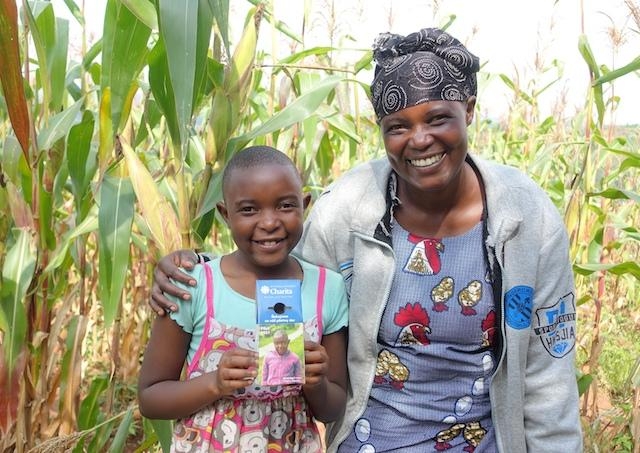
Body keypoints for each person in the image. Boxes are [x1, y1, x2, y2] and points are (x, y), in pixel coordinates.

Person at [150, 27, 583, 452]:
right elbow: (283, 274)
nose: (419, 140)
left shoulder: (526, 219)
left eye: (437, 119)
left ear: (468, 109)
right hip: (369, 442)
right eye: (398, 126)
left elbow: (548, 379)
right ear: (381, 130)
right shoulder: (349, 207)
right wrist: (195, 266)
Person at [138, 146, 349, 452]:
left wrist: (315, 383)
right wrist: (216, 383)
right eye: (249, 210)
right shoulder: (194, 286)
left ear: (305, 206)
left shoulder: (327, 289)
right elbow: (150, 398)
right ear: (225, 214)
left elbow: (333, 408)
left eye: (285, 206)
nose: (269, 223)